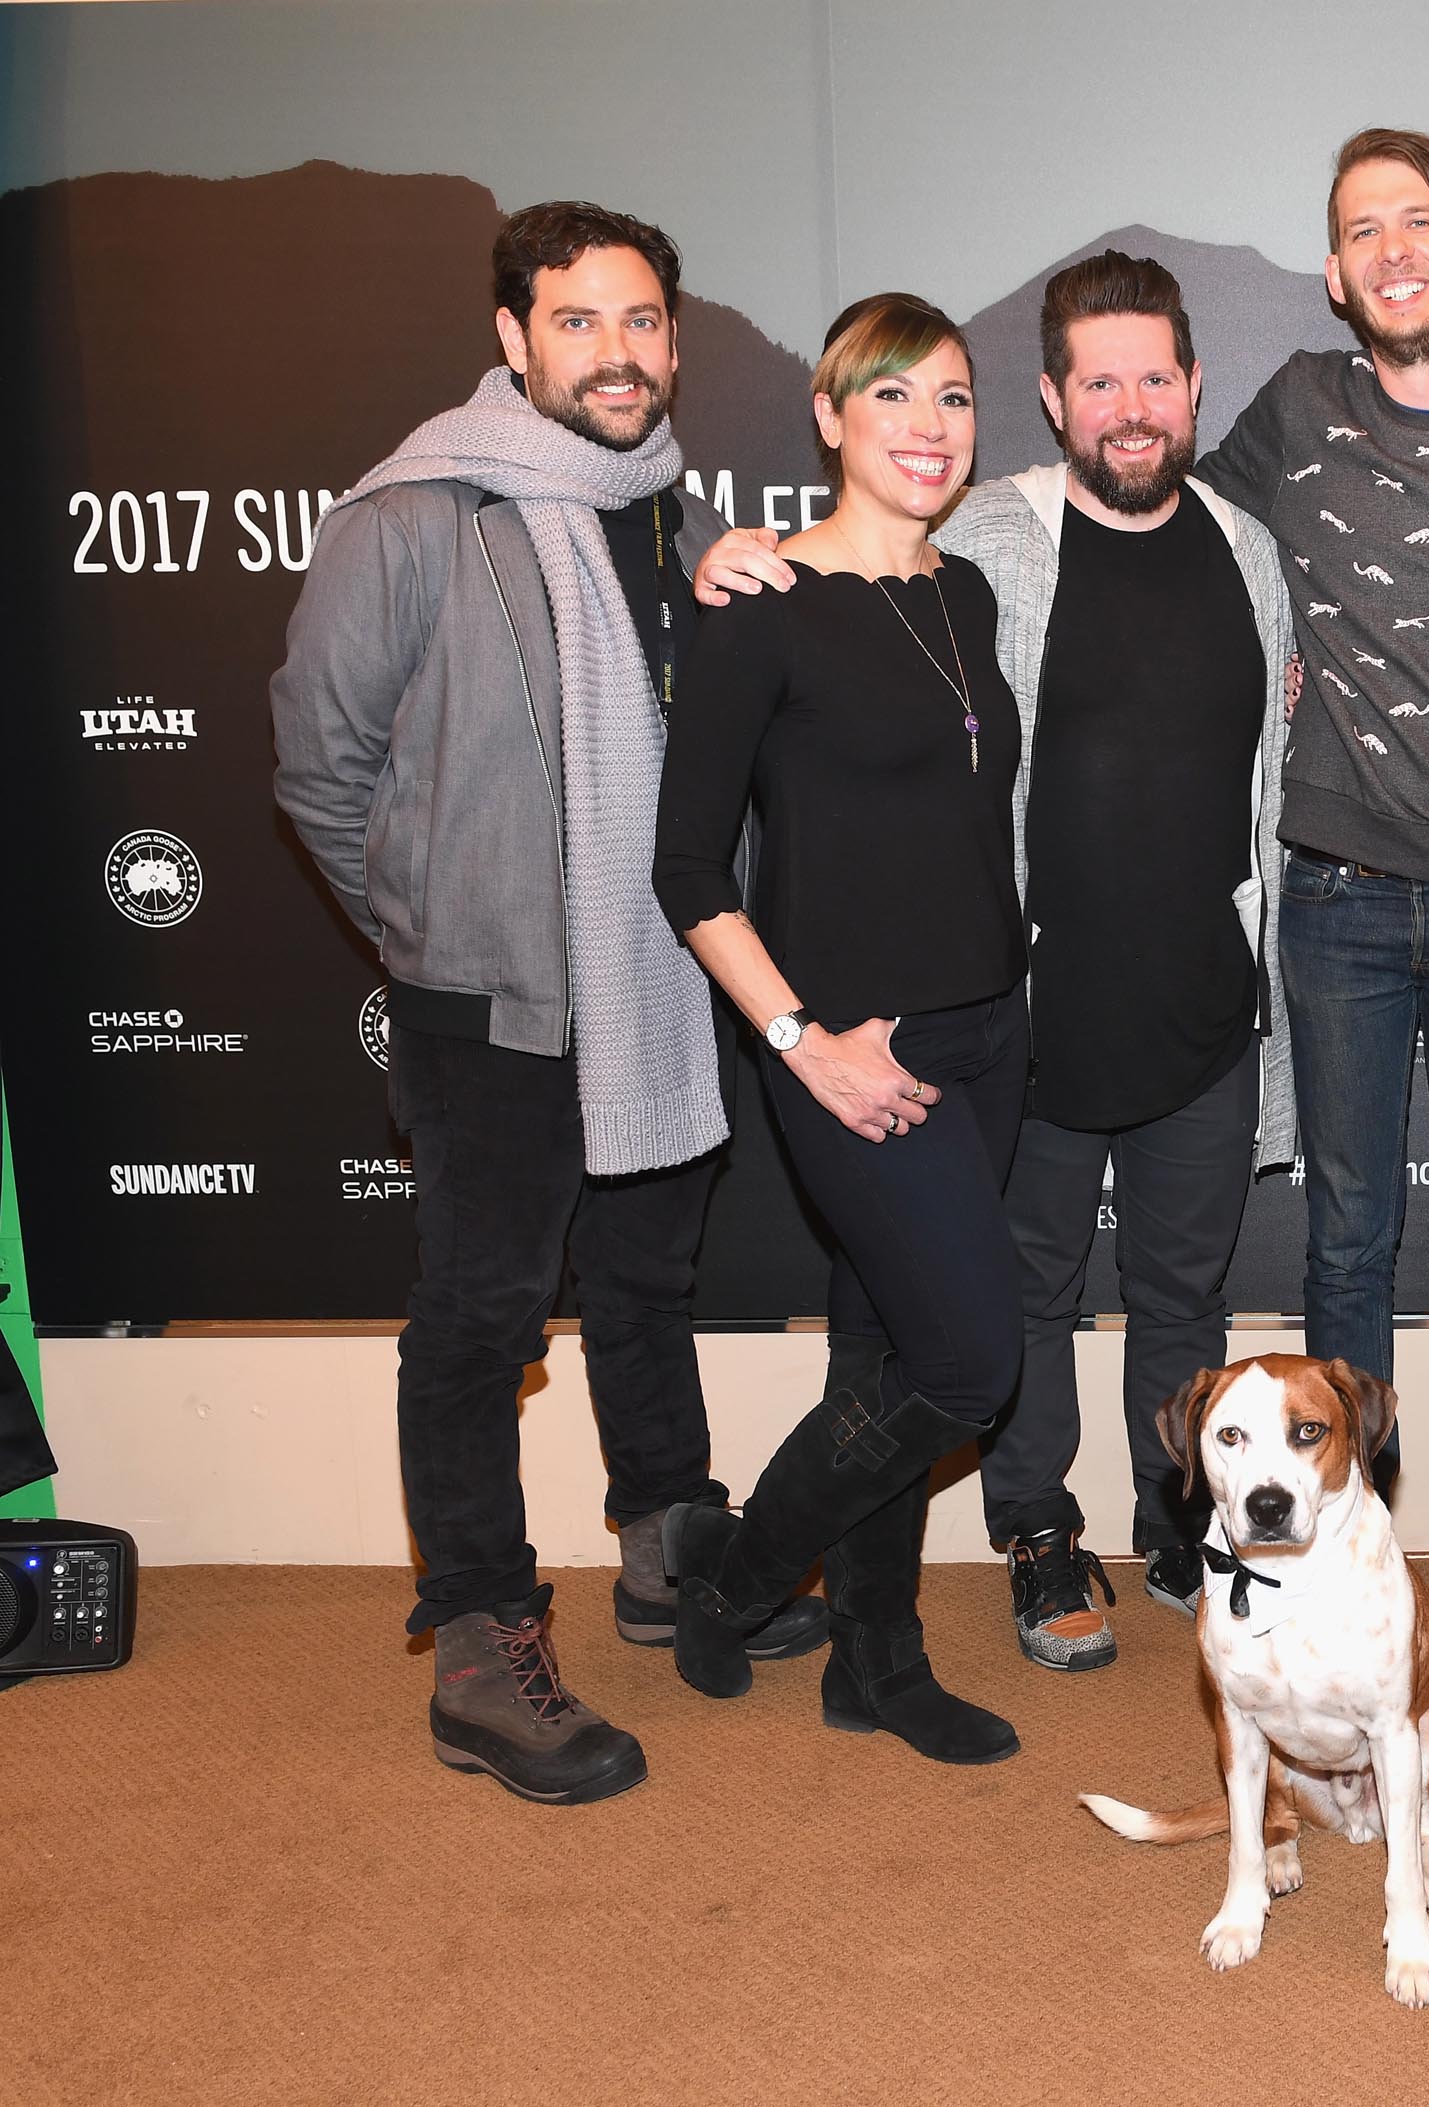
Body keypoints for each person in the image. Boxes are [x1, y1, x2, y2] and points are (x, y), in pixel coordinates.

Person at [272, 200, 823, 1807]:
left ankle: (667, 1553)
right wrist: (440, 922)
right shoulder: (415, 515)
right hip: (488, 1000)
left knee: (647, 1279)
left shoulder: (675, 519)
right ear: (514, 338)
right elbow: (322, 771)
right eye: (578, 322)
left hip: (655, 983)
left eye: (642, 321)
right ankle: (479, 1642)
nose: (618, 352)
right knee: (479, 1321)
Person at [690, 254, 1299, 1676]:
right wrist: (721, 559)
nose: (1133, 406)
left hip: (1205, 1006)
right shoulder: (991, 546)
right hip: (1026, 1012)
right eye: (1102, 380)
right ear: (1052, 399)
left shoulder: (1245, 549)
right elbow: (845, 574)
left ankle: (1182, 1523)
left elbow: (1269, 783)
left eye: (1158, 376)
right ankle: (1035, 1526)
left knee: (1184, 1293)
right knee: (1013, 1304)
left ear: (1196, 388)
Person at [1196, 130, 1429, 1678]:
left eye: (1420, 220)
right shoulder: (1298, 409)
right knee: (1345, 1244)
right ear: (1340, 276)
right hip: (1339, 892)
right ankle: (1342, 1552)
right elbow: (1153, 525)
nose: (1395, 248)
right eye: (1363, 230)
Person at [650, 292, 1028, 1767]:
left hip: (992, 1036)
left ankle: (876, 1660)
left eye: (950, 398)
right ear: (829, 418)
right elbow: (686, 868)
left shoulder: (968, 596)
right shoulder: (755, 606)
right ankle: (736, 1581)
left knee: (884, 1356)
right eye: (892, 398)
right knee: (971, 1369)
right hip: (850, 1054)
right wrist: (804, 1039)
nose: (927, 429)